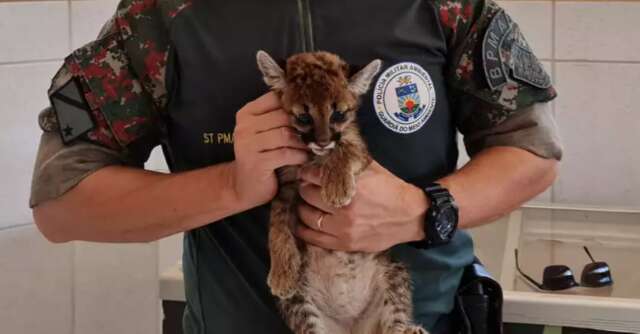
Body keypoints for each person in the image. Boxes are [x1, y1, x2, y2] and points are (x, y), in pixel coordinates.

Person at [30, 0, 562, 333]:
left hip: (416, 321)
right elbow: (62, 202)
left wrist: (425, 211)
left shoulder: (445, 6)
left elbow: (532, 153)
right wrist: (233, 186)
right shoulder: (158, 18)